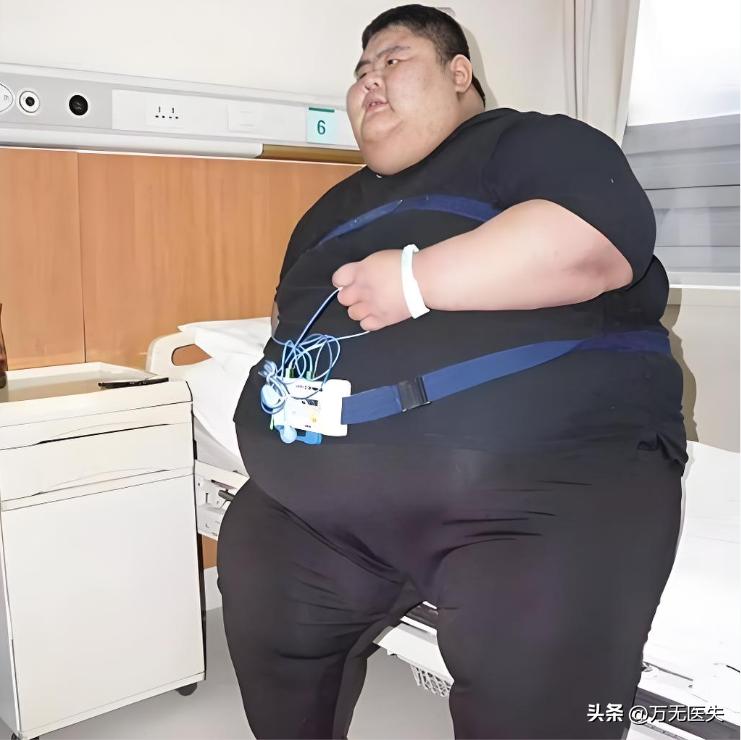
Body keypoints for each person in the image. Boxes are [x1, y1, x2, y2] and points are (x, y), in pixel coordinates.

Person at [217, 5, 687, 738]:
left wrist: (414, 281)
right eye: (359, 72)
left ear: (460, 72)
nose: (369, 81)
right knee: (264, 607)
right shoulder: (326, 212)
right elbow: (290, 319)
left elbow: (593, 244)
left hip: (534, 495)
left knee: (532, 709)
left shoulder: (528, 143)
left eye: (393, 60)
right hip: (315, 514)